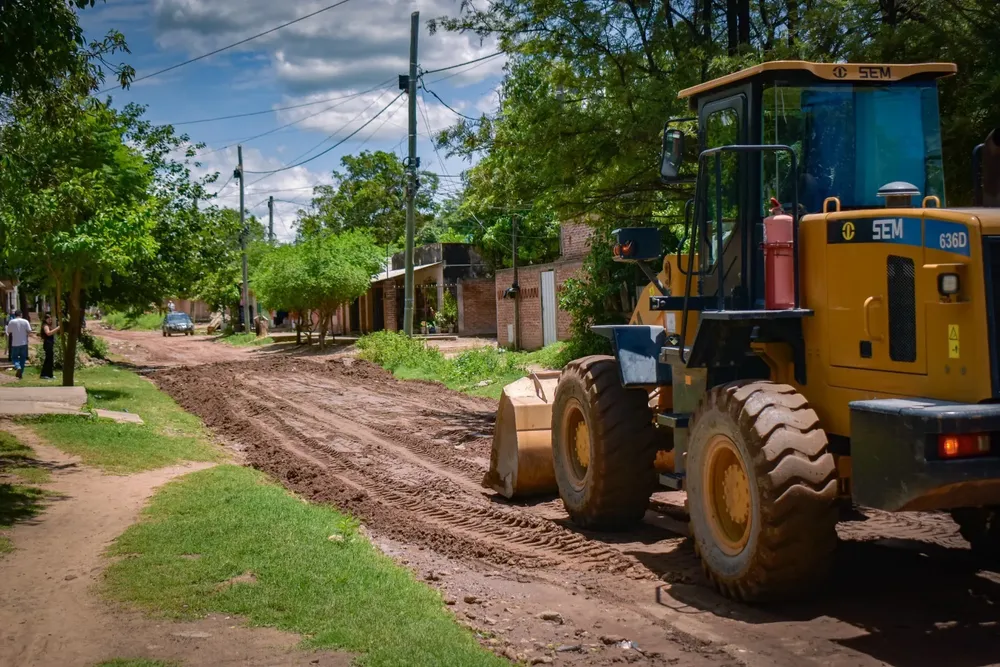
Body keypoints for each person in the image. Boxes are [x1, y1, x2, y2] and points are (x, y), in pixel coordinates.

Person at [4, 310, 31, 380]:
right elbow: (29, 331)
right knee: (23, 358)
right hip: (24, 343)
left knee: (14, 357)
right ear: (21, 314)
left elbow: (8, 331)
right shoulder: (25, 321)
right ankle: (20, 373)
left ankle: (17, 366)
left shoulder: (11, 322)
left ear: (15, 315)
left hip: (15, 343)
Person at [40, 313, 61, 380]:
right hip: (47, 344)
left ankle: (50, 374)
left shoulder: (49, 325)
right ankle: (44, 374)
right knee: (48, 359)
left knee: (50, 359)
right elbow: (48, 333)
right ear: (45, 319)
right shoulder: (45, 326)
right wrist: (57, 328)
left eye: (50, 319)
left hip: (50, 343)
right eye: (48, 319)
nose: (50, 320)